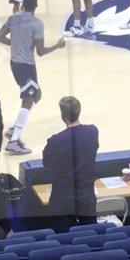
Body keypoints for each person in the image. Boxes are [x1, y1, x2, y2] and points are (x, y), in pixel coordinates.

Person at [0, 0, 66, 155]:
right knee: (28, 99)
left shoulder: (14, 18)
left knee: (37, 94)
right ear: (36, 7)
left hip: (15, 63)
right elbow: (40, 52)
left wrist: (14, 44)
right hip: (26, 65)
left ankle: (14, 129)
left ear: (22, 5)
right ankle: (14, 140)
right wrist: (57, 46)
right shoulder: (37, 24)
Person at [43, 96, 99, 229]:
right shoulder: (92, 131)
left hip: (62, 195)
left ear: (63, 115)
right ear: (79, 111)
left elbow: (47, 164)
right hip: (87, 193)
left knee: (63, 237)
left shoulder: (55, 141)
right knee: (90, 233)